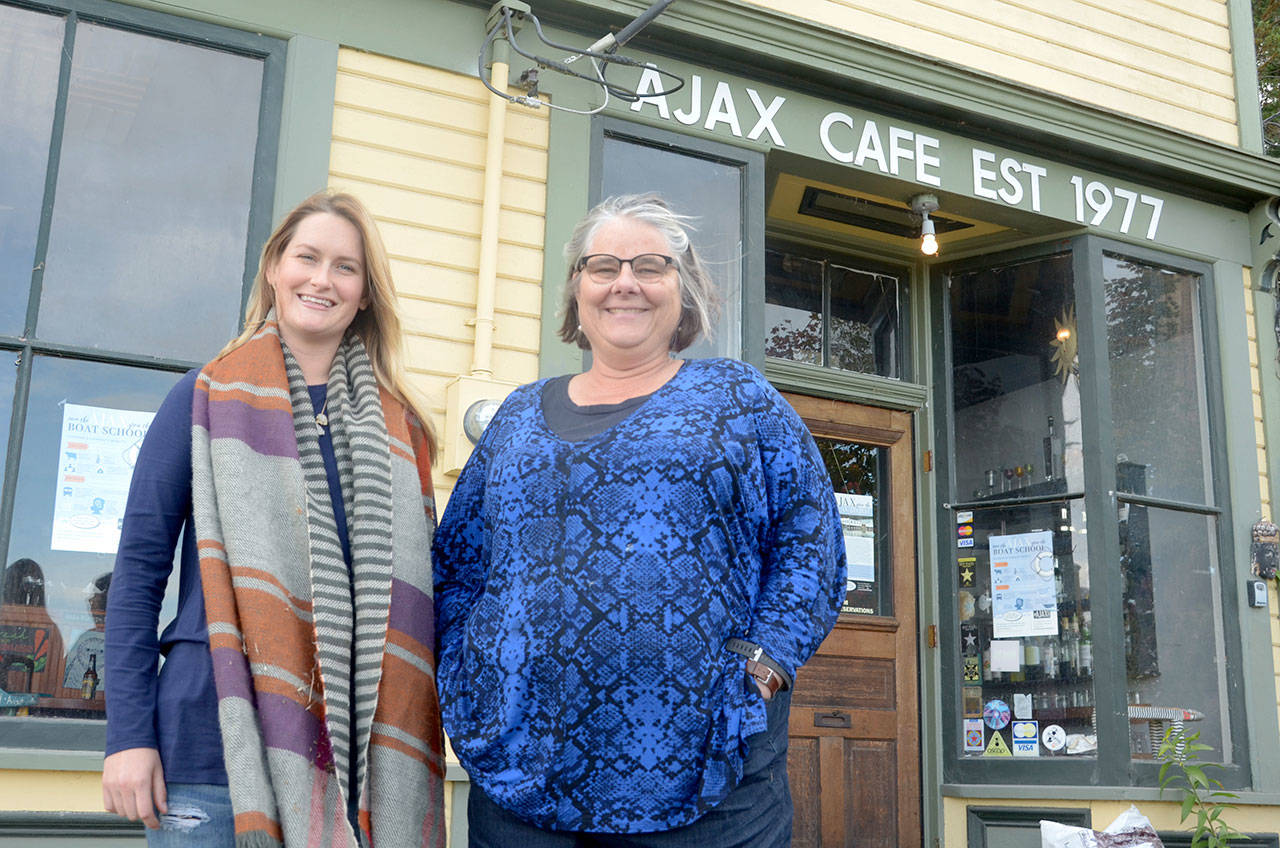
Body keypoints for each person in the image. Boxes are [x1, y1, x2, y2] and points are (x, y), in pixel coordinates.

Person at [432, 193, 845, 846]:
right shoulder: (514, 416)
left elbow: (810, 547)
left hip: (708, 775)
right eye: (604, 266)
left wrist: (764, 667)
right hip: (520, 778)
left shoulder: (740, 399)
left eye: (650, 266)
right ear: (577, 291)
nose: (625, 282)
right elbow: (457, 565)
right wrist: (469, 680)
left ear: (684, 291)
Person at [102, 191, 446, 847]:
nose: (322, 279)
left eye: (345, 267)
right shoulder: (203, 397)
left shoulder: (404, 431)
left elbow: (430, 600)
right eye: (306, 258)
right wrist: (128, 737)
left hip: (359, 757)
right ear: (274, 269)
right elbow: (140, 572)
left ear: (367, 293)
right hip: (209, 743)